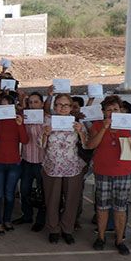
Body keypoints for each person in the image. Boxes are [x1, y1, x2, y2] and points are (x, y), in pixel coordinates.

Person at [87, 95, 131, 255]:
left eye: (116, 109)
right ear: (103, 112)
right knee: (102, 207)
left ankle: (119, 240)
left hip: (123, 172)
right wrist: (104, 128)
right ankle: (101, 237)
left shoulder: (130, 126)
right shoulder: (97, 125)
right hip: (102, 172)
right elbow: (91, 145)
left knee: (120, 208)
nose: (112, 112)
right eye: (109, 109)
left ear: (121, 111)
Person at [42, 94, 87, 245]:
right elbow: (40, 145)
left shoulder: (77, 123)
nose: (62, 108)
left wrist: (81, 131)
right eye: (59, 105)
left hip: (72, 166)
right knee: (52, 199)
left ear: (70, 107)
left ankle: (67, 229)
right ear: (55, 107)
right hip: (52, 166)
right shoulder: (48, 122)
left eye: (66, 105)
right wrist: (45, 134)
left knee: (71, 200)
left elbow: (87, 145)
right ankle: (54, 229)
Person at [0, 95, 28, 235]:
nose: (4, 109)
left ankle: (7, 220)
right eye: (2, 106)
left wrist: (20, 125)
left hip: (14, 163)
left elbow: (24, 140)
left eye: (7, 106)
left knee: (10, 194)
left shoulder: (17, 120)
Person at [15, 92, 46, 232]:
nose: (33, 105)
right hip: (27, 160)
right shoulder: (24, 118)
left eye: (36, 102)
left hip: (42, 162)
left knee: (43, 193)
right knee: (24, 190)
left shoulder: (48, 119)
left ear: (42, 104)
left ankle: (41, 220)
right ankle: (27, 215)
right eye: (31, 102)